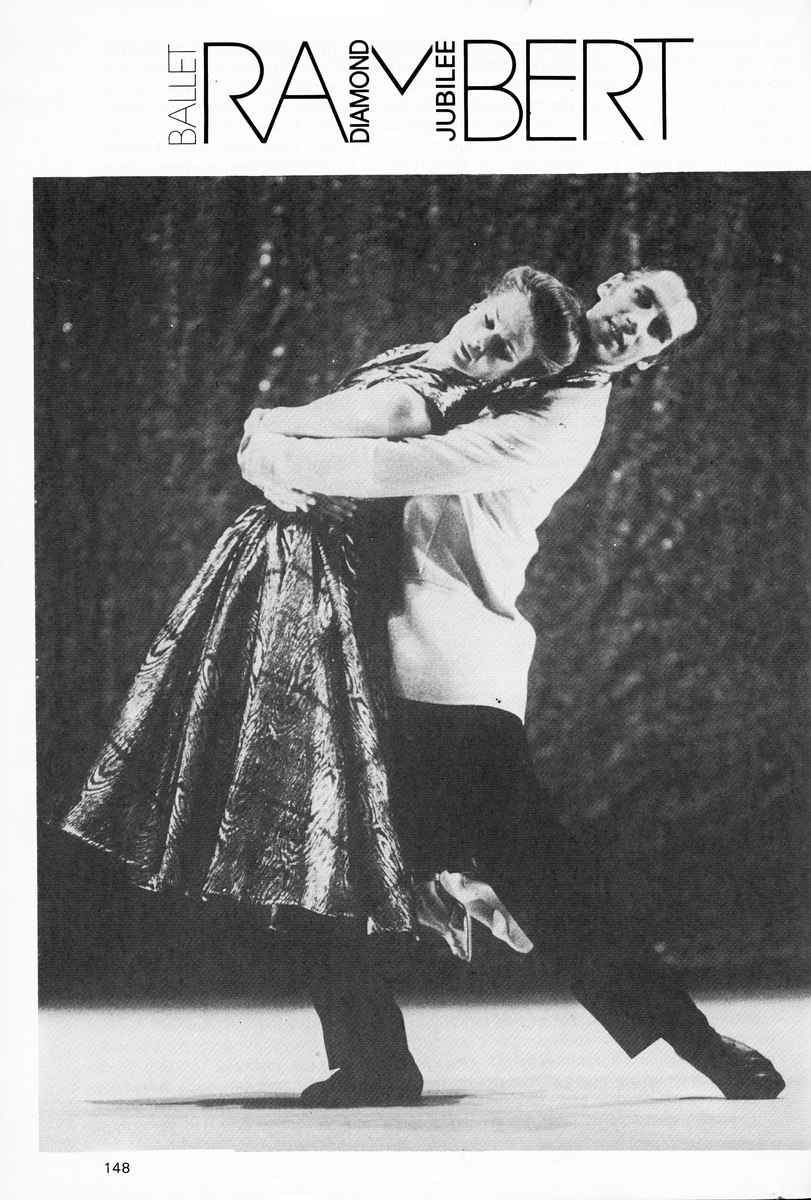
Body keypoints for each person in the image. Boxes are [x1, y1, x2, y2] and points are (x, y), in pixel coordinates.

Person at [238, 266, 786, 1108]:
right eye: (641, 301)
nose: (634, 324)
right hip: (372, 657)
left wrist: (267, 443)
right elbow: (379, 404)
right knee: (318, 858)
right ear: (611, 285)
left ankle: (695, 1042)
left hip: (450, 671)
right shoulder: (508, 351)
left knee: (545, 882)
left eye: (655, 332)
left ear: (646, 360)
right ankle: (377, 1055)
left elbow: (394, 466)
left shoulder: (559, 421)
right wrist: (279, 439)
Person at [59, 267, 584, 953]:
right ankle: (436, 887)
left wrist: (264, 430)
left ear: (511, 373)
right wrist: (265, 462)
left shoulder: (427, 399)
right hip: (277, 557)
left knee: (300, 774)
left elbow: (309, 430)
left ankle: (428, 889)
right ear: (475, 302)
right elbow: (279, 453)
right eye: (488, 321)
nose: (480, 343)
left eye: (502, 350)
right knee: (288, 767)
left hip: (313, 574)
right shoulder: (410, 358)